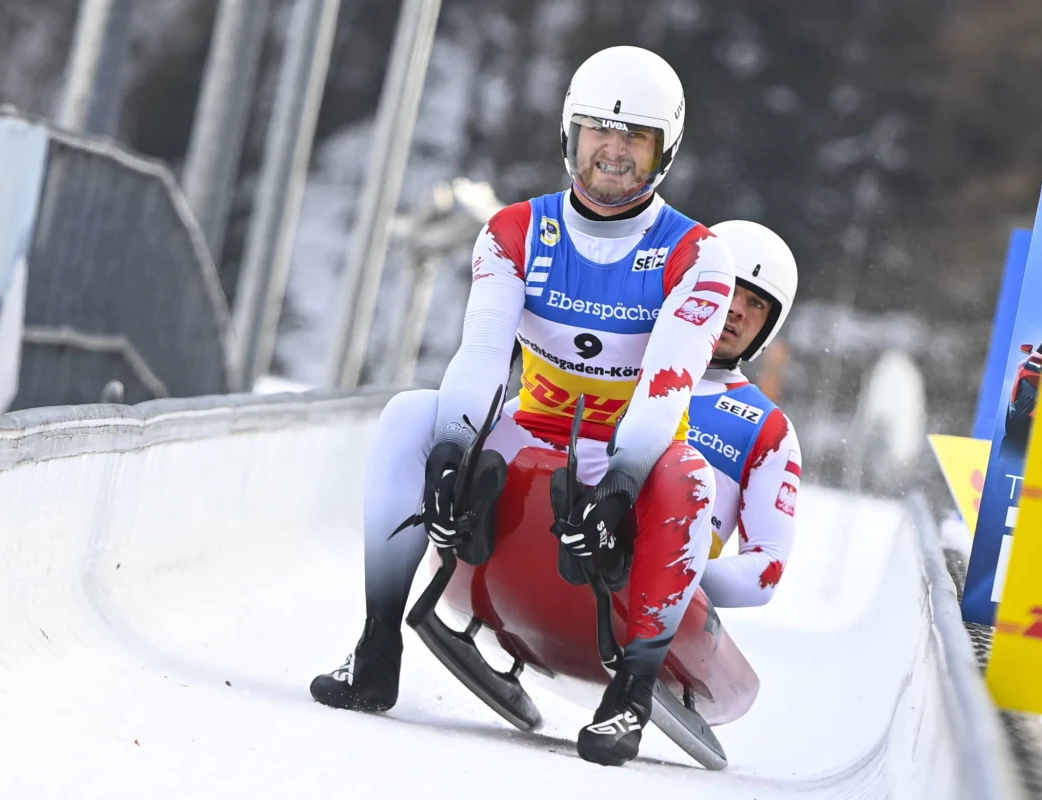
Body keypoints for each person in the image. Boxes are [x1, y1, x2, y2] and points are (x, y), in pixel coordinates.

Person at [309, 45, 736, 768]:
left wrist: (626, 482)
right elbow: (482, 354)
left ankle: (628, 694)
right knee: (410, 416)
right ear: (570, 134)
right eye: (599, 129)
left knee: (688, 476)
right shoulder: (515, 231)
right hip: (532, 428)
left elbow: (667, 384)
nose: (613, 150)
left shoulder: (698, 256)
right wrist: (450, 449)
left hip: (629, 447)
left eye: (635, 137)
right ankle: (376, 646)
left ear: (664, 152)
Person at [684, 220, 803, 609]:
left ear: (767, 326)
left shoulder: (769, 430)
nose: (735, 309)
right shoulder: (623, 355)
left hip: (653, 588)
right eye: (730, 287)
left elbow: (765, 570)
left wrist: (669, 572)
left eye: (756, 302)